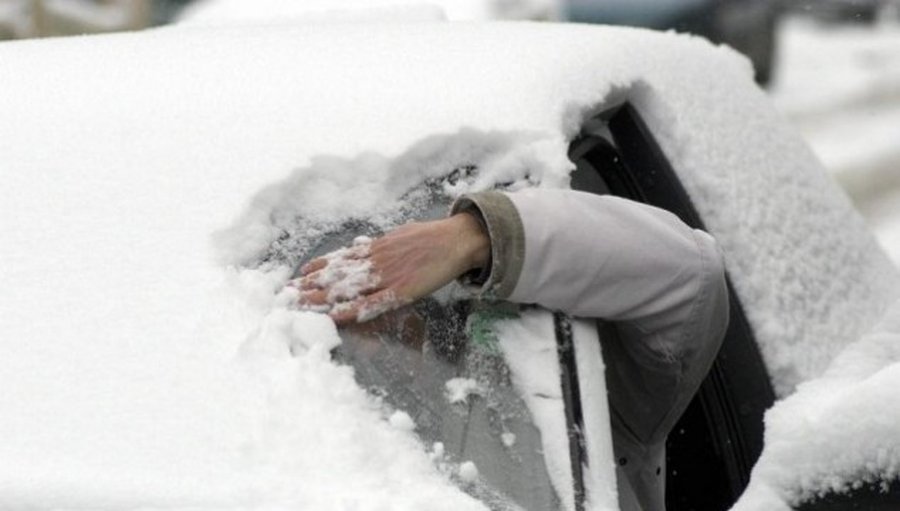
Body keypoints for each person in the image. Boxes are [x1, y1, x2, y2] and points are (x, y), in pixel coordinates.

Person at [293, 188, 729, 511]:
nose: (370, 327)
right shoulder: (312, 461)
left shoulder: (557, 383)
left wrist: (477, 236)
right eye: (341, 319)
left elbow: (691, 276)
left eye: (382, 296)